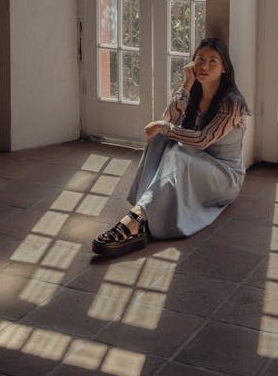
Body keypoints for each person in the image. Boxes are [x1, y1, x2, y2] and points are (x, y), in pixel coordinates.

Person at [92, 37, 249, 258]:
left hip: (224, 178)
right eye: (200, 59)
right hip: (194, 166)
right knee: (161, 140)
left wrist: (164, 127)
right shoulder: (194, 91)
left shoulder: (232, 103)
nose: (204, 66)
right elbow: (169, 118)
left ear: (224, 68)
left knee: (177, 148)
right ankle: (144, 209)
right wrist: (187, 84)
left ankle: (137, 219)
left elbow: (203, 140)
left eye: (213, 61)